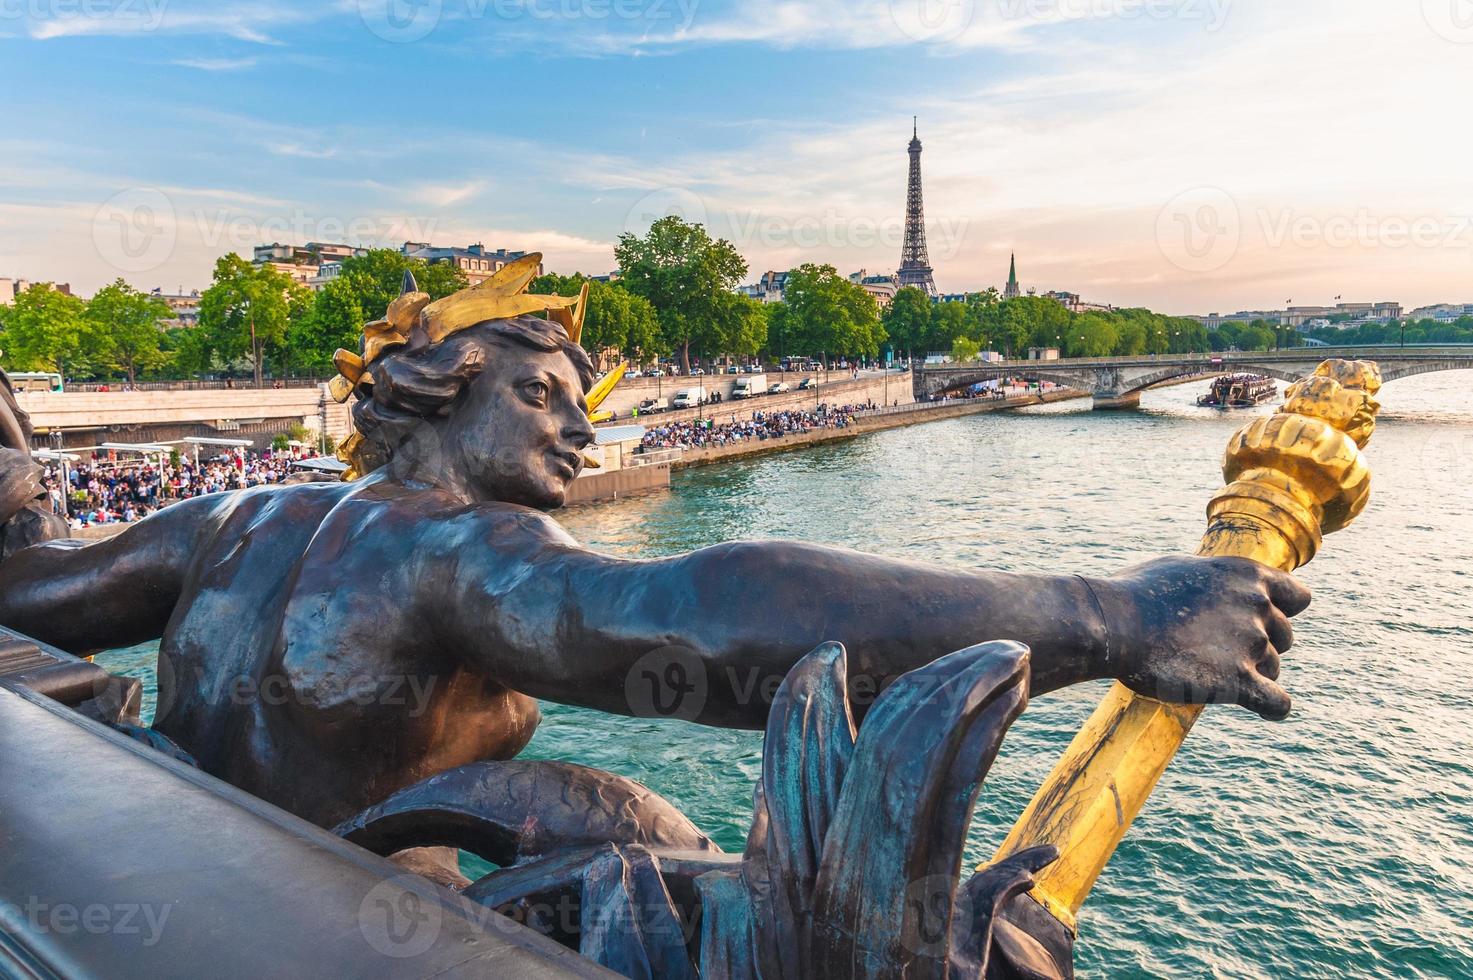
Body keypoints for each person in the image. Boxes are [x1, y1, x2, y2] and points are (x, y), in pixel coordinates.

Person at [0, 276, 1305, 881]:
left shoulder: (233, 515)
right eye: (543, 393)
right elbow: (690, 617)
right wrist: (1107, 615)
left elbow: (34, 596)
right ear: (437, 398)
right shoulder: (453, 548)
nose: (579, 428)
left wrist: (16, 497)